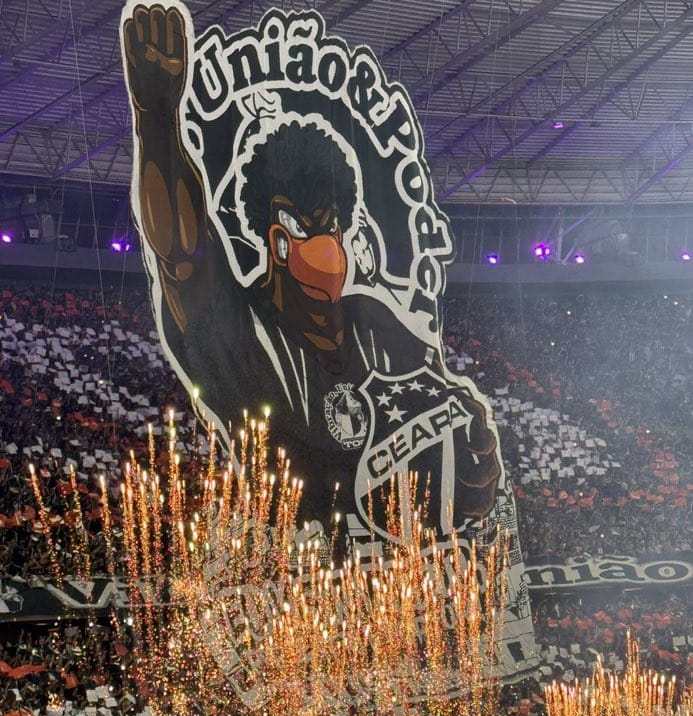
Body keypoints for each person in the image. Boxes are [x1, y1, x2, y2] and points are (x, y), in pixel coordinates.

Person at [121, 3, 503, 536]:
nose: (329, 242)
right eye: (310, 225)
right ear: (276, 237)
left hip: (387, 569)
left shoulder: (376, 322)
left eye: (335, 223)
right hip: (294, 570)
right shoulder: (243, 328)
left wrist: (473, 467)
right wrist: (157, 117)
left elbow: (440, 422)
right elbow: (182, 255)